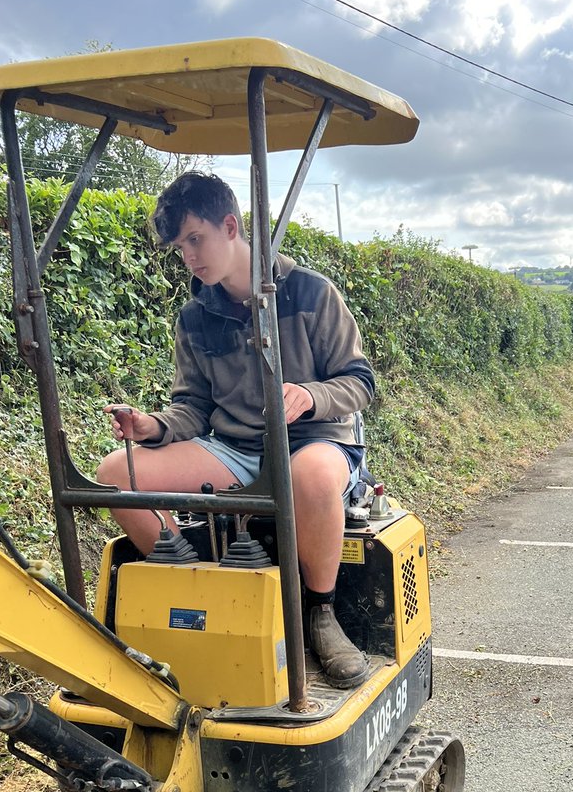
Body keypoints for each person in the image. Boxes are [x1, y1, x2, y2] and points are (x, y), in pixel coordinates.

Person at [97, 172, 373, 690]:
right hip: (235, 449)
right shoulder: (195, 317)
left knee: (308, 475)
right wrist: (152, 426)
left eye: (195, 239)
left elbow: (359, 382)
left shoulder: (311, 293)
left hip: (317, 442)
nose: (189, 257)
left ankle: (320, 614)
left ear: (230, 226)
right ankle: (197, 586)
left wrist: (312, 397)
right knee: (115, 472)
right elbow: (192, 408)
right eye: (180, 248)